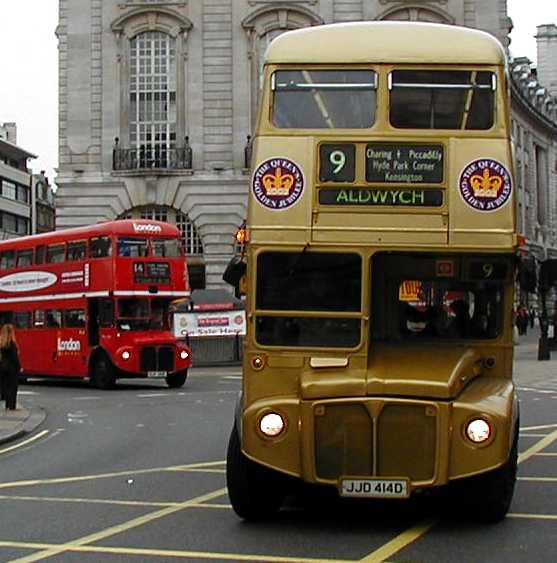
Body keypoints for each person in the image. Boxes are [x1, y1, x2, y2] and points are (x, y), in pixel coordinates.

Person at [0, 324, 21, 411]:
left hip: (3, 367)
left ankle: (7, 404)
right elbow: (14, 358)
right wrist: (19, 367)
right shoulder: (12, 344)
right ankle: (12, 405)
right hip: (12, 368)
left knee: (6, 386)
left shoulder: (2, 344)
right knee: (13, 387)